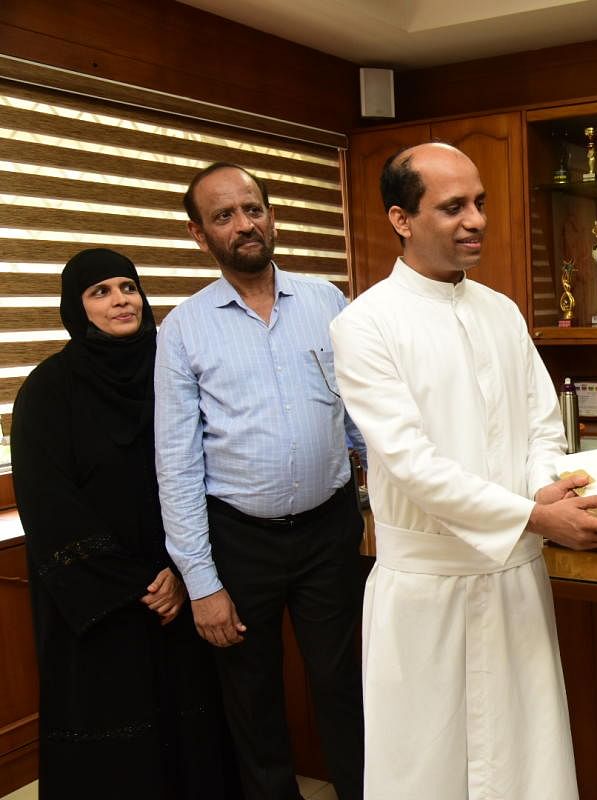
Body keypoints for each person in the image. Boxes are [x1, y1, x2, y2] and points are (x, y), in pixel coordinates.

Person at [328, 142, 597, 799]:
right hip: (426, 590)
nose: (476, 220)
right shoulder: (364, 325)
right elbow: (412, 463)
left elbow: (542, 425)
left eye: (481, 203)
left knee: (526, 766)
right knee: (426, 769)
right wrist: (533, 514)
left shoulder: (502, 310)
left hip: (513, 579)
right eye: (453, 206)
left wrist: (549, 485)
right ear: (401, 219)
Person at [155, 163, 366, 800]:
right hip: (239, 542)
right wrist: (201, 583)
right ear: (200, 235)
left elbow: (364, 420)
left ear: (271, 215)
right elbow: (177, 463)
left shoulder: (329, 302)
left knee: (346, 687)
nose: (245, 224)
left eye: (253, 208)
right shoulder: (183, 329)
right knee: (253, 700)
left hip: (330, 530)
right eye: (224, 216)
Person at [11, 248, 240, 798]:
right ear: (76, 307)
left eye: (128, 287)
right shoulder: (47, 391)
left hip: (182, 580)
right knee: (116, 731)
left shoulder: (174, 371)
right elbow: (48, 504)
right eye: (101, 292)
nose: (120, 300)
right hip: (101, 601)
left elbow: (210, 465)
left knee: (193, 723)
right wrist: (136, 582)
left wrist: (182, 568)